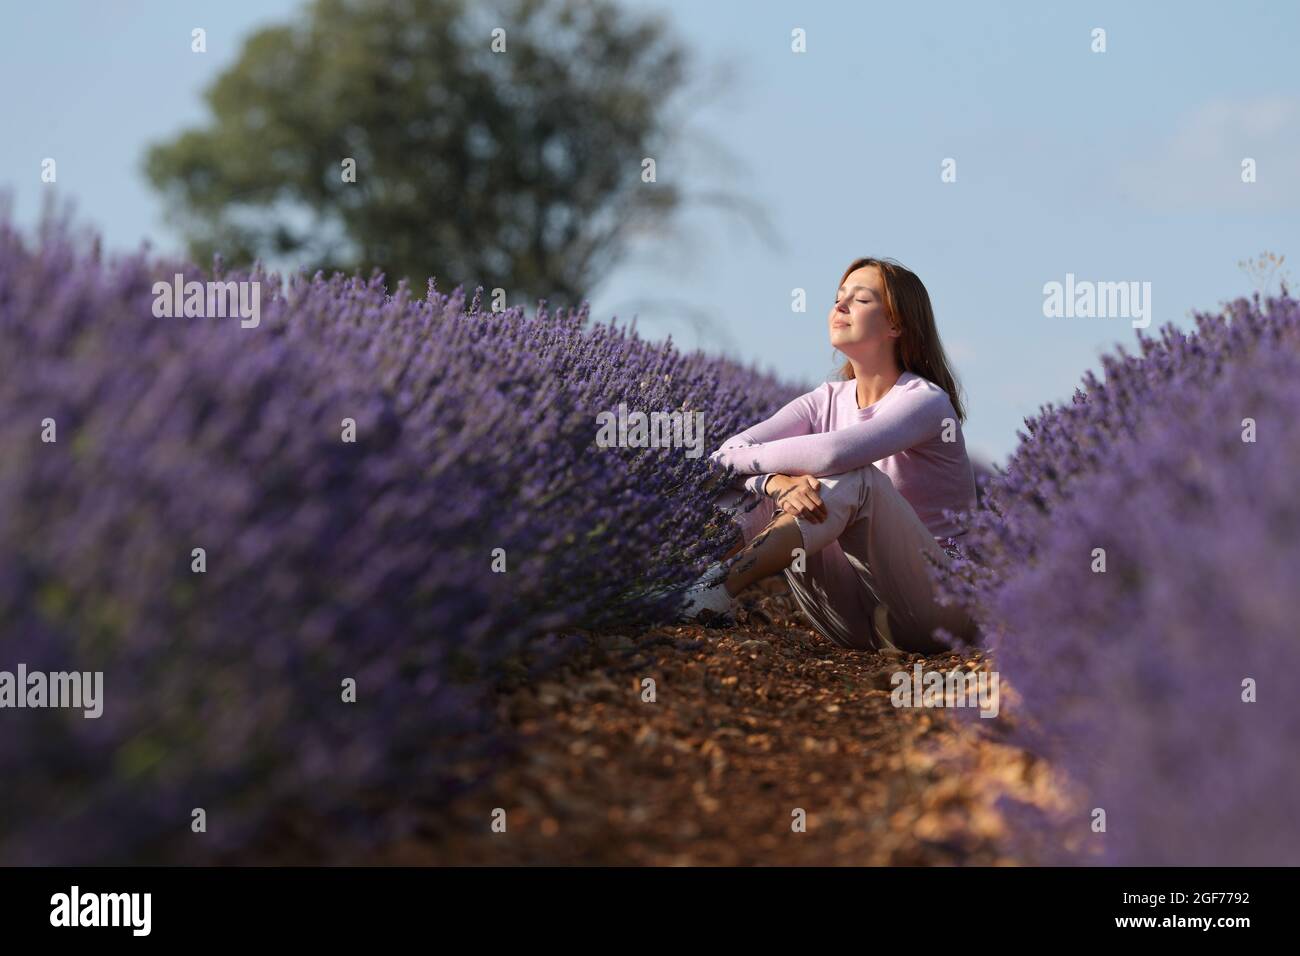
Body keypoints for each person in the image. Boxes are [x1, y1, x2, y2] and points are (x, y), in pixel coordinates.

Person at [681, 257, 979, 653]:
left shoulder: (926, 402)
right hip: (850, 621)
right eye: (838, 298)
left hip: (937, 614)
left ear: (896, 325)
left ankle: (714, 590)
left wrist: (772, 475)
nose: (839, 307)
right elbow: (723, 457)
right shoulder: (823, 400)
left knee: (856, 478)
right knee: (749, 488)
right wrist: (773, 483)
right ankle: (678, 582)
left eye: (860, 299)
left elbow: (833, 453)